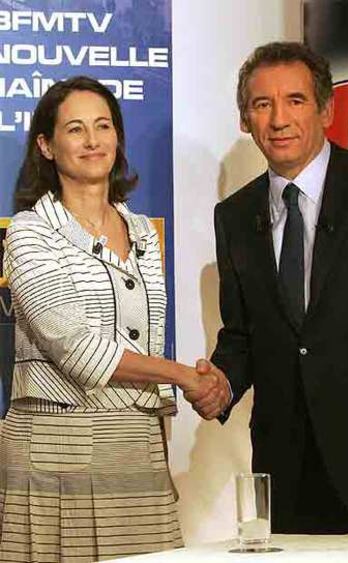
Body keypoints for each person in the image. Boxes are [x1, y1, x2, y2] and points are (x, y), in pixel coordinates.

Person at [190, 42, 348, 534]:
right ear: (245, 119)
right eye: (261, 104)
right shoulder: (233, 216)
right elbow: (243, 336)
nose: (278, 119)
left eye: (295, 100)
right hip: (286, 471)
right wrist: (220, 384)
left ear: (327, 109)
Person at [0, 76, 224, 561]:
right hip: (57, 447)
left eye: (103, 126)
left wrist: (193, 392)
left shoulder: (142, 230)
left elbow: (142, 341)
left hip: (137, 446)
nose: (92, 140)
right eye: (75, 129)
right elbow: (79, 350)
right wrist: (183, 375)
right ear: (46, 145)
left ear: (118, 139)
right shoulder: (29, 232)